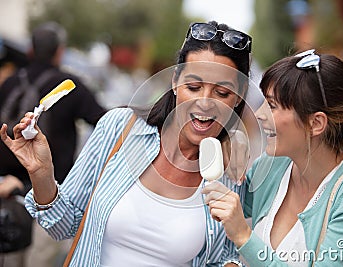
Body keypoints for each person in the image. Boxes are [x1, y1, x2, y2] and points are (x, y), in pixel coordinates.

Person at [1, 21, 253, 266]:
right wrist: (42, 174)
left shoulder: (232, 171)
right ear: (175, 81)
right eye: (194, 86)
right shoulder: (118, 127)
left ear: (239, 96)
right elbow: (63, 226)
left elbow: (222, 258)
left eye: (222, 93)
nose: (205, 102)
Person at [203, 49, 343, 266]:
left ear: (316, 123)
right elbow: (214, 210)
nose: (259, 114)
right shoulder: (272, 166)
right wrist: (222, 152)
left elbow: (238, 228)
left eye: (272, 105)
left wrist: (243, 236)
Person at [0, 22, 106, 267]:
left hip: (7, 190)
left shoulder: (10, 82)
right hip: (49, 196)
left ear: (30, 51)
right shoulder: (70, 86)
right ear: (60, 51)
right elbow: (104, 121)